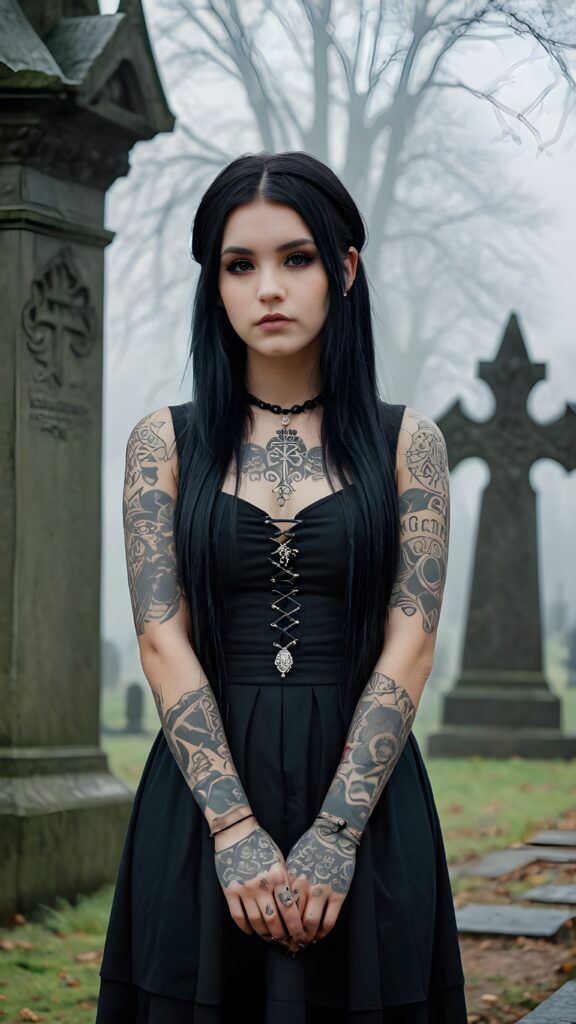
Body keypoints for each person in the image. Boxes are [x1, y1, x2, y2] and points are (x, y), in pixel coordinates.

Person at [96, 151, 467, 1023]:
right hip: (202, 798)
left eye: (296, 258)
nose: (268, 287)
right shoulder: (164, 444)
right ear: (215, 285)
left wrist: (337, 832)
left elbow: (412, 643)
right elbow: (160, 637)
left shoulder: (410, 443)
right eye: (240, 265)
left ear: (345, 269)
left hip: (368, 797)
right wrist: (232, 828)